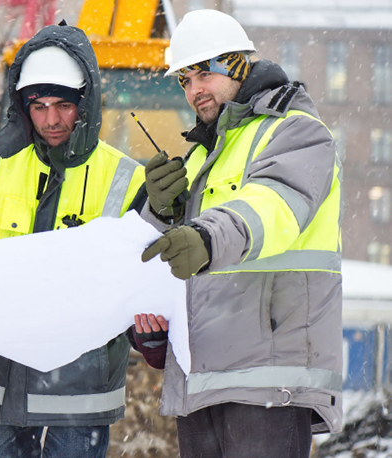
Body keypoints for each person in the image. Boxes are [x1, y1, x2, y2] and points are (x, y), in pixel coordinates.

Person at [139, 9, 343, 458]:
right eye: (184, 81)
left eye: (202, 75)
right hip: (201, 379)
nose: (194, 91)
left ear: (236, 64)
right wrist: (155, 211)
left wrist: (206, 238)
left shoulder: (297, 132)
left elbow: (271, 205)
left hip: (268, 376)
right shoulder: (197, 158)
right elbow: (157, 257)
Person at [0, 22, 147, 458]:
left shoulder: (128, 177)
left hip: (81, 387)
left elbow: (137, 281)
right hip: (2, 376)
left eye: (63, 105)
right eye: (38, 106)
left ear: (86, 103)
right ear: (22, 105)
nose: (52, 120)